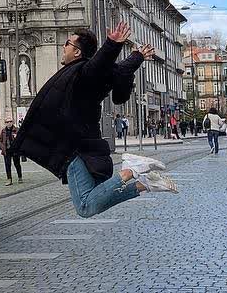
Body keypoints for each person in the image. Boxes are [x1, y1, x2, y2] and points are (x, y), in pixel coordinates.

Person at [9, 25, 171, 218]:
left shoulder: (82, 74)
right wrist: (136, 57)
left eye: (67, 44)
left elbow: (99, 66)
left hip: (74, 151)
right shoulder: (79, 74)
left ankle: (131, 170)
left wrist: (112, 45)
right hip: (79, 148)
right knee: (96, 197)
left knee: (86, 206)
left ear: (77, 51)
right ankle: (143, 184)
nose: (63, 47)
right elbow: (116, 70)